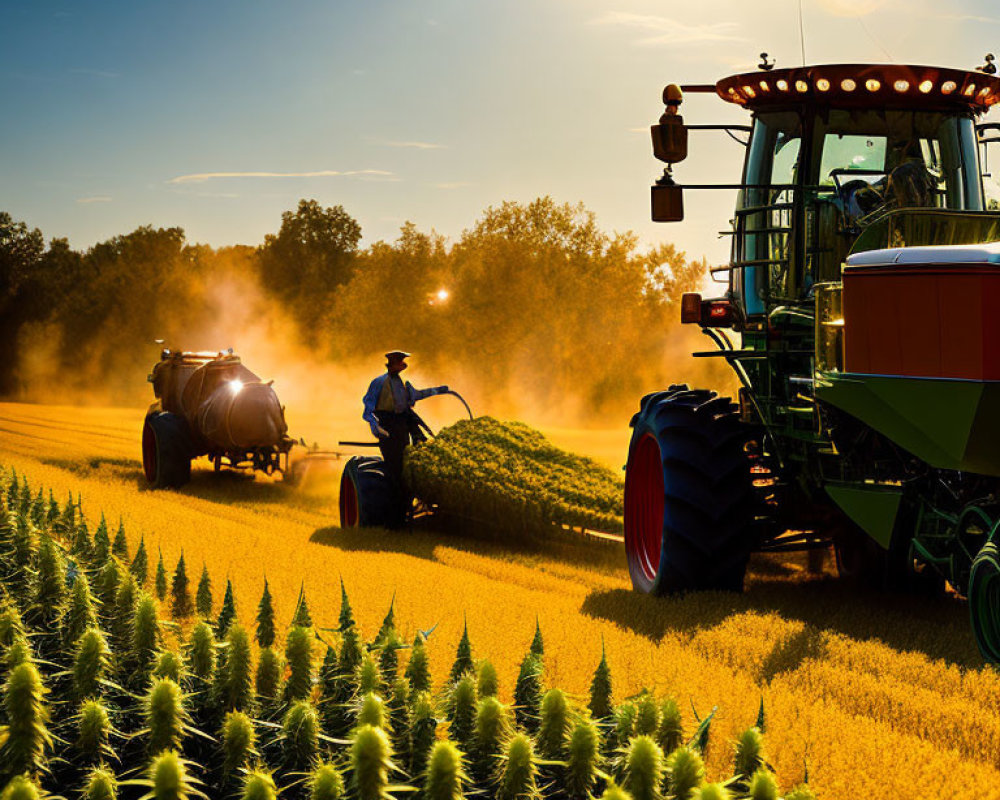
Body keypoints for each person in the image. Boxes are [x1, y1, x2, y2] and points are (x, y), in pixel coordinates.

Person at [361, 351, 449, 489]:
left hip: (402, 424)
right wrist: (375, 426)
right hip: (388, 426)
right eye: (400, 362)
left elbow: (416, 395)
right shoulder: (379, 383)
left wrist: (438, 390)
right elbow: (368, 409)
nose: (403, 365)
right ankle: (397, 497)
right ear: (393, 364)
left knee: (410, 456)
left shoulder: (400, 383)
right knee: (395, 466)